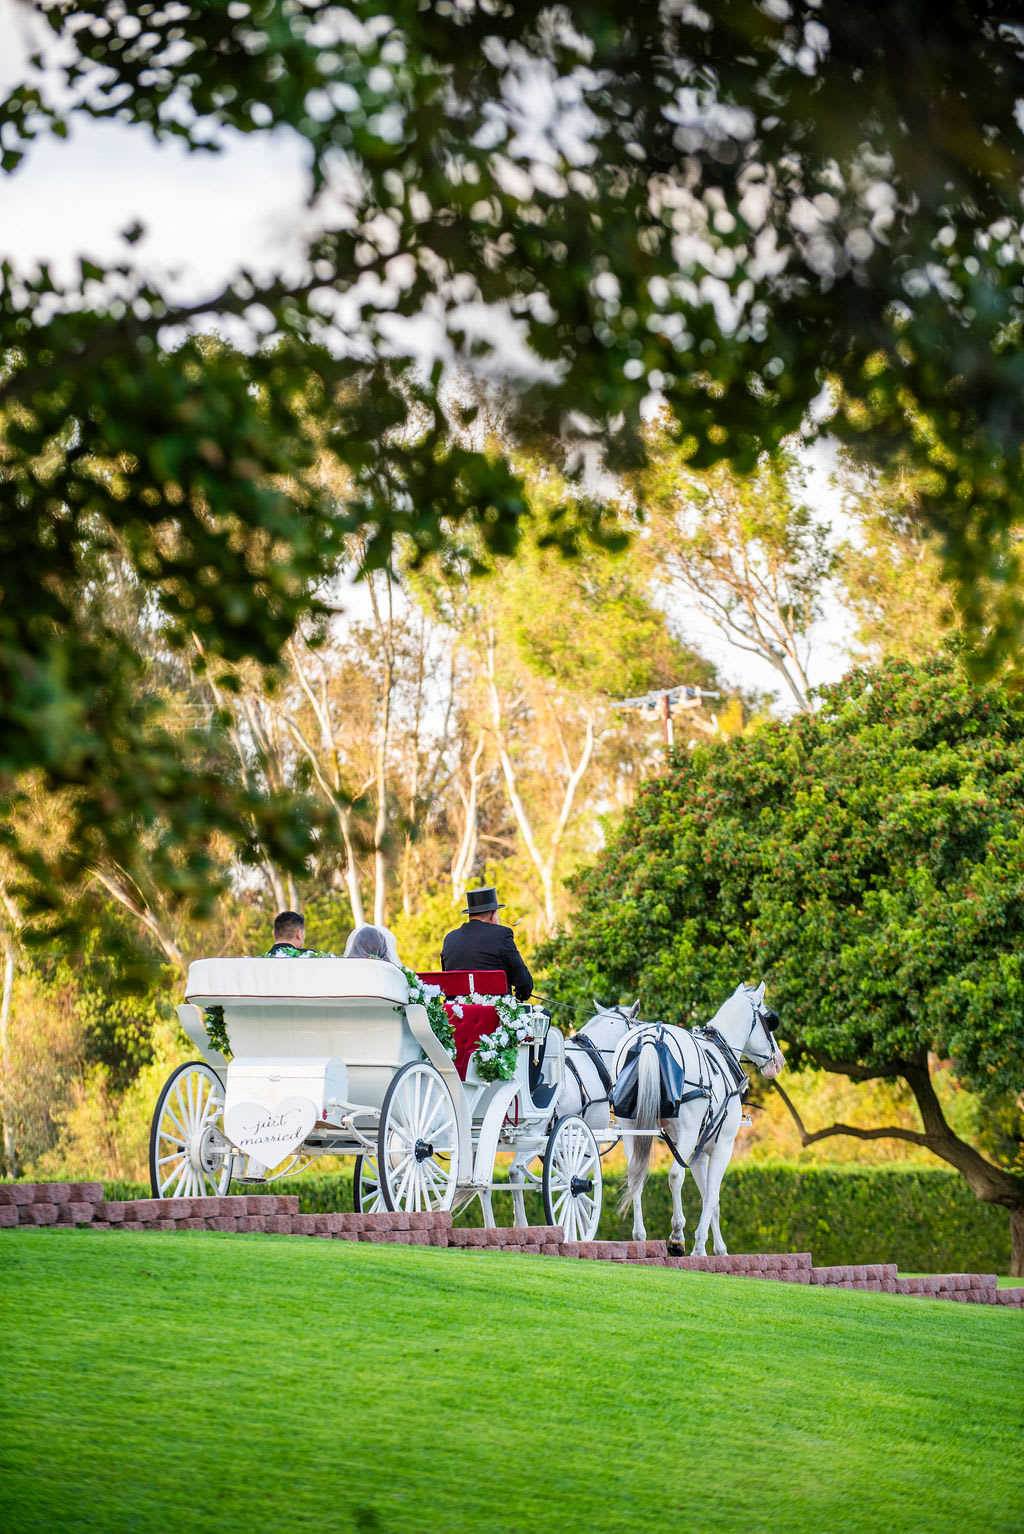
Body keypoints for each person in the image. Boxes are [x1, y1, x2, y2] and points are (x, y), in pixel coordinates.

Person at [441, 886, 533, 999]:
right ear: (494, 915)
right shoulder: (502, 934)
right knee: (544, 1014)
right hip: (495, 1011)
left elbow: (448, 975)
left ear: (470, 915)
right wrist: (523, 993)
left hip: (458, 1010)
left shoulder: (450, 938)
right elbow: (522, 978)